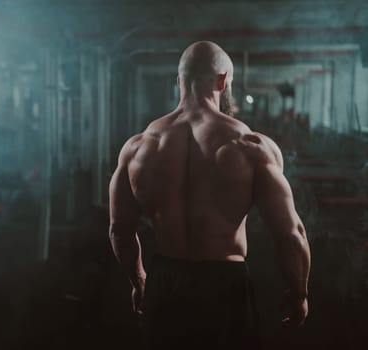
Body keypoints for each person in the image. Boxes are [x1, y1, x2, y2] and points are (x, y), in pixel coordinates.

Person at [108, 41, 311, 349]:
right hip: (225, 285)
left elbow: (119, 230)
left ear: (178, 81)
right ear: (221, 81)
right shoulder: (250, 145)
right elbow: (291, 234)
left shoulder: (138, 147)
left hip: (166, 283)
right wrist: (299, 293)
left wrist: (139, 281)